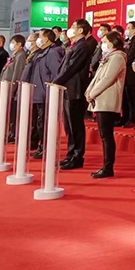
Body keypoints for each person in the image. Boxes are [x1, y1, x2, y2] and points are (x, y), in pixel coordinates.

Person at [52, 19, 94, 169]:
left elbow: (72, 67)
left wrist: (57, 81)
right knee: (69, 126)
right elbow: (64, 66)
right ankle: (70, 155)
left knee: (75, 125)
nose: (70, 29)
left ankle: (77, 157)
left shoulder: (83, 46)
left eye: (73, 26)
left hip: (75, 89)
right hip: (67, 88)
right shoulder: (73, 45)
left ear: (81, 30)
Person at [85, 31, 127, 179]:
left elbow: (108, 78)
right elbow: (97, 77)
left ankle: (108, 167)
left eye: (104, 41)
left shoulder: (118, 57)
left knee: (106, 135)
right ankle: (106, 166)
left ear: (112, 42)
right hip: (100, 99)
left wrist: (93, 93)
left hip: (107, 100)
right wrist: (89, 91)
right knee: (104, 135)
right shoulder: (108, 57)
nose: (102, 44)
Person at [23, 29, 65, 158]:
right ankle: (41, 146)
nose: (38, 40)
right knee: (40, 123)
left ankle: (46, 148)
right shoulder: (41, 53)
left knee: (44, 123)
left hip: (45, 93)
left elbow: (56, 73)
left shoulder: (52, 53)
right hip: (38, 92)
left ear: (46, 39)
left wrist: (50, 89)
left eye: (40, 37)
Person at [1, 34, 28, 142]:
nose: (11, 45)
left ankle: (13, 134)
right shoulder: (15, 54)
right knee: (9, 112)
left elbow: (17, 72)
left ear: (19, 44)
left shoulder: (21, 55)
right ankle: (9, 132)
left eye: (13, 43)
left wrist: (13, 88)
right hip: (6, 87)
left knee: (13, 113)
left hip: (13, 88)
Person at [117, 21, 135, 128]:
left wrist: (121, 62)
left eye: (128, 28)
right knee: (124, 98)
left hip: (130, 73)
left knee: (131, 97)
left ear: (134, 30)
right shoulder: (126, 41)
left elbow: (131, 56)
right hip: (123, 73)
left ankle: (131, 119)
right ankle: (125, 118)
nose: (126, 30)